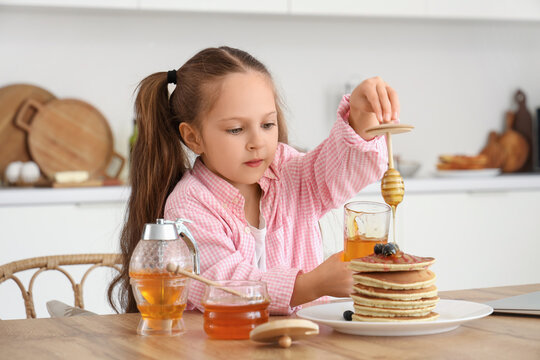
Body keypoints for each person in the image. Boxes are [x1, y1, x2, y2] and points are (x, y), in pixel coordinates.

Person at [108, 46, 399, 315]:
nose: (257, 142)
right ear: (193, 137)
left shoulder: (286, 169)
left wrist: (361, 121)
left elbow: (339, 168)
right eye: (236, 129)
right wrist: (310, 285)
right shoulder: (190, 204)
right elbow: (223, 285)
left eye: (267, 124)